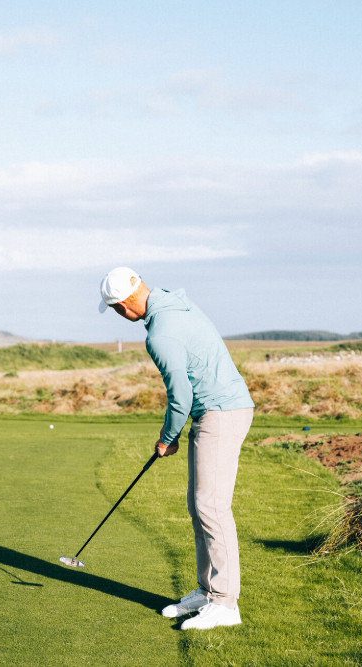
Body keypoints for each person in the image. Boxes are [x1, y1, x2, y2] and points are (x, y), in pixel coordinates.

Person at [98, 267, 255, 631]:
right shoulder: (173, 303)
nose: (121, 317)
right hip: (220, 409)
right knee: (198, 505)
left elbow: (180, 396)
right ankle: (207, 591)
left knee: (211, 507)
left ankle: (225, 604)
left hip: (221, 411)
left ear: (124, 304)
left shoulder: (160, 333)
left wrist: (168, 438)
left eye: (117, 309)